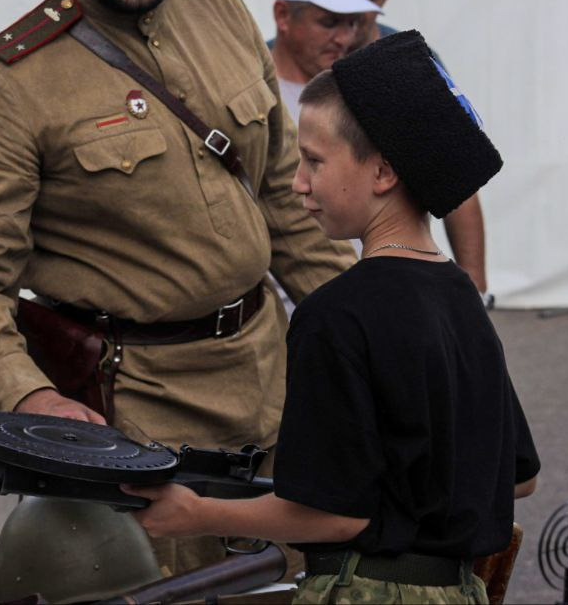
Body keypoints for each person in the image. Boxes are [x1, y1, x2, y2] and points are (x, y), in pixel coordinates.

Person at [0, 0, 355, 584]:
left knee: (297, 581)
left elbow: (286, 202)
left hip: (272, 378)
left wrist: (372, 330)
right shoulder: (14, 81)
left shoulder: (220, 10)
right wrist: (33, 395)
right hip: (141, 416)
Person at [125, 30, 539, 604]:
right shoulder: (459, 295)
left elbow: (333, 516)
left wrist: (196, 512)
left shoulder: (335, 314)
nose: (298, 184)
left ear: (384, 173)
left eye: (313, 161)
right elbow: (519, 476)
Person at [317, 0, 493, 296]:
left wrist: (474, 290)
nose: (358, 10)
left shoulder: (412, 65)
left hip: (393, 280)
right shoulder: (278, 60)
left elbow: (456, 179)